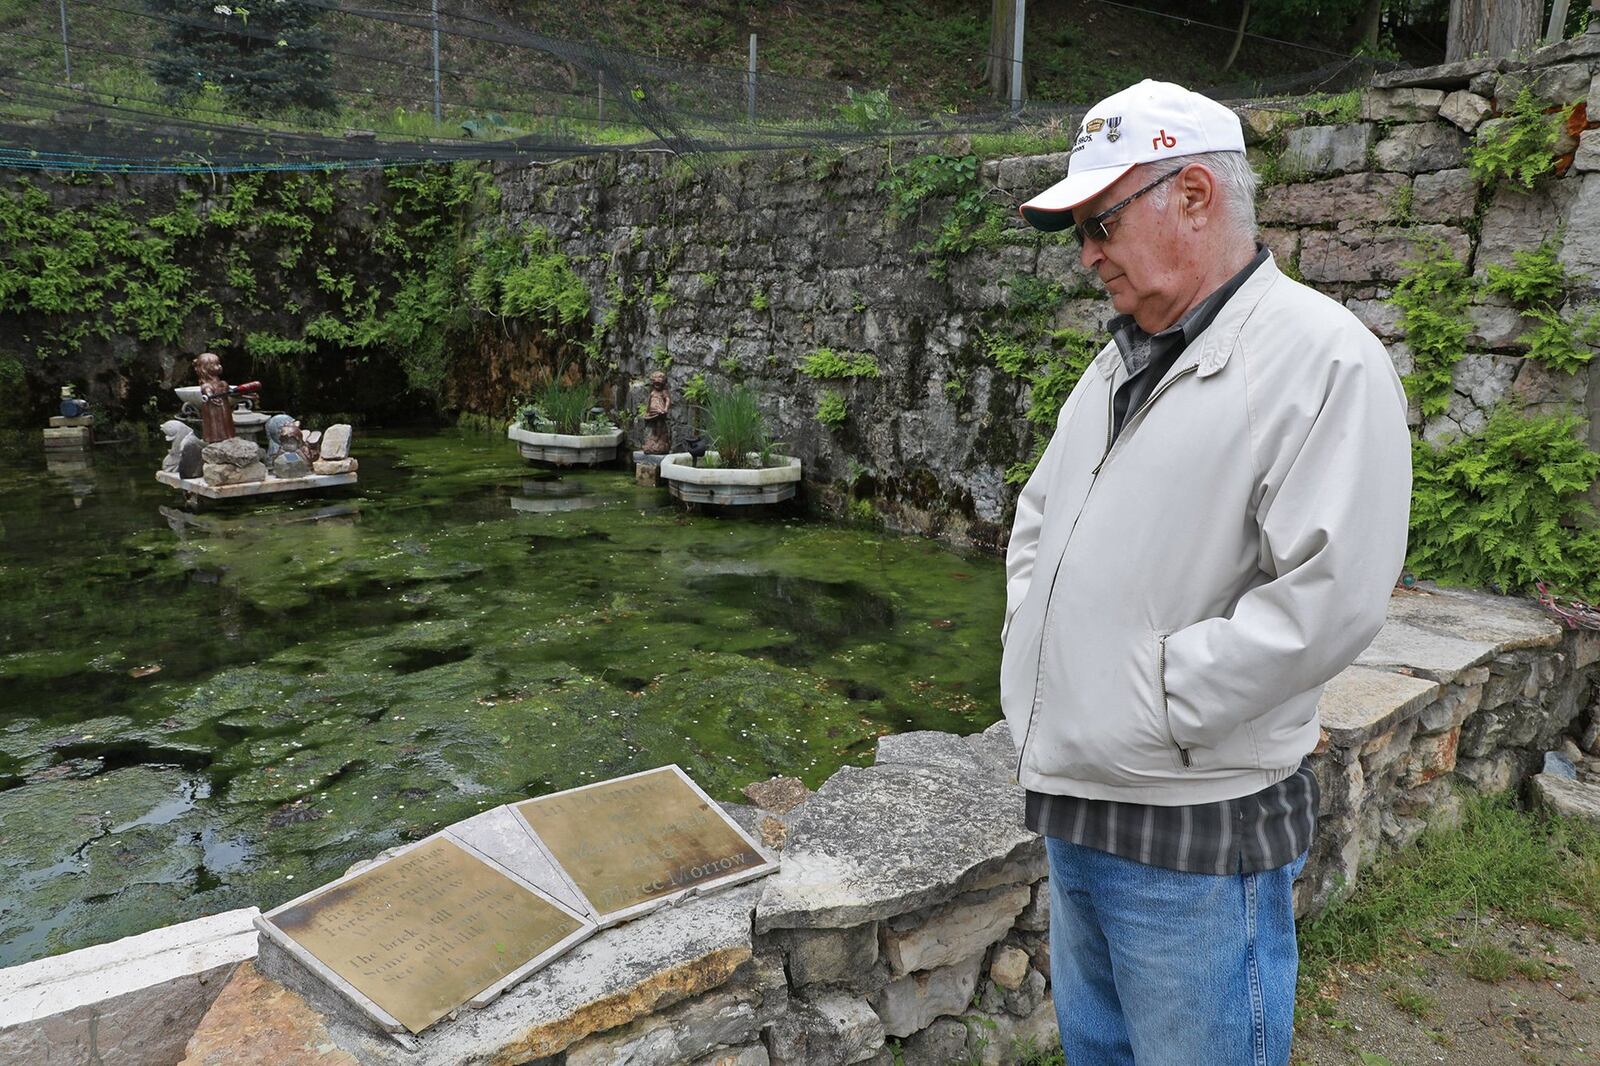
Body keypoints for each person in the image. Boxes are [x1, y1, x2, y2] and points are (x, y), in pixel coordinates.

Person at [1002, 79, 1411, 1066]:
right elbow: (1037, 525)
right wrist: (1042, 657)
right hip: (1078, 800)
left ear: (1193, 196)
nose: (1088, 254)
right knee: (1098, 1053)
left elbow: (1329, 598)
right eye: (1077, 232)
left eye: (1101, 221)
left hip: (1194, 826)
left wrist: (1151, 698)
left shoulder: (1321, 361)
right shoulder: (1122, 359)